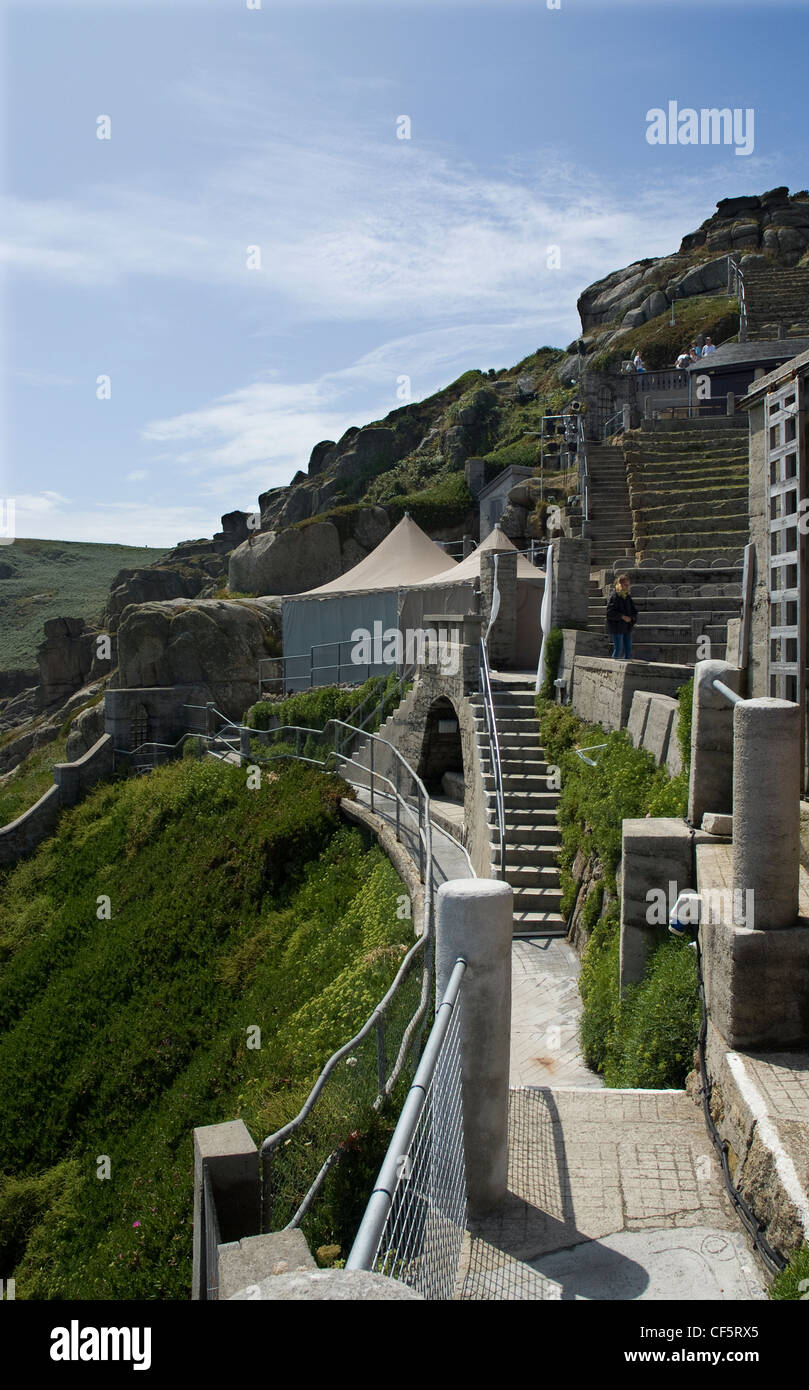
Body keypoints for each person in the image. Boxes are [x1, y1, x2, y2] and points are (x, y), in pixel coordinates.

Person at [606, 574, 638, 660]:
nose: (628, 587)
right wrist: (622, 617)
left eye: (628, 585)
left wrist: (631, 618)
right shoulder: (615, 597)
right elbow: (609, 612)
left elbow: (634, 612)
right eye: (626, 585)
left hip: (627, 627)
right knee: (618, 649)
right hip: (617, 627)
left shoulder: (628, 597)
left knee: (628, 650)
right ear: (620, 585)